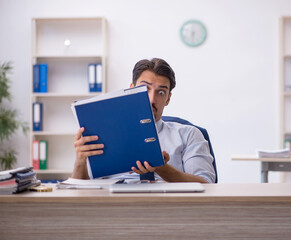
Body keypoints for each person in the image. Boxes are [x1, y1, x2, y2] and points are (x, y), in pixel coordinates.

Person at [72, 58, 215, 183]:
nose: (152, 99)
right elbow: (80, 192)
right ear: (131, 91)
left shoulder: (188, 134)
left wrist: (161, 168)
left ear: (168, 99)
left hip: (169, 208)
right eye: (144, 89)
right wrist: (80, 160)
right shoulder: (103, 133)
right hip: (115, 207)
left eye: (161, 92)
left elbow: (206, 184)